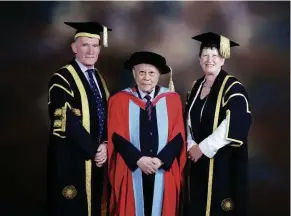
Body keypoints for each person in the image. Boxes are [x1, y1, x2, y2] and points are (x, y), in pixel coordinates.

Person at [107, 51, 186, 216]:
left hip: (163, 169)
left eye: (151, 73)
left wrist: (161, 160)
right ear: (134, 74)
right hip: (131, 170)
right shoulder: (119, 100)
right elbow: (116, 136)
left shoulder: (172, 99)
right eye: (141, 72)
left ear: (158, 75)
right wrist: (138, 159)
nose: (146, 78)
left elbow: (178, 136)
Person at [46, 21, 111, 216]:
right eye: (85, 45)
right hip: (71, 159)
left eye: (95, 45)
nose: (91, 51)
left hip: (97, 159)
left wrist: (106, 144)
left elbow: (107, 115)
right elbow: (66, 121)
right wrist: (94, 150)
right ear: (74, 47)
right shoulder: (62, 78)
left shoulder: (99, 77)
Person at [185, 32, 252, 216]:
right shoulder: (195, 87)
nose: (210, 59)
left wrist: (203, 148)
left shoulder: (233, 88)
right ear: (199, 59)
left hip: (223, 164)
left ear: (223, 59)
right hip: (197, 161)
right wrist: (191, 145)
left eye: (215, 55)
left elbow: (234, 123)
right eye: (205, 54)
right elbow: (187, 120)